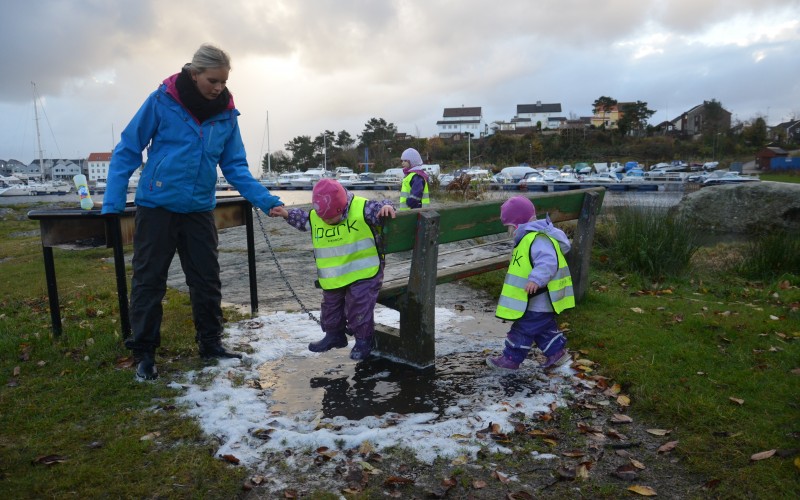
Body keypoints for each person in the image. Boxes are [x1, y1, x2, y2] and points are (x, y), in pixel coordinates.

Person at [102, 43, 284, 381]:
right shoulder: (162, 100)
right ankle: (144, 353)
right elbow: (128, 148)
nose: (218, 87)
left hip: (199, 208)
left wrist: (268, 201)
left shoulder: (227, 114)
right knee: (149, 280)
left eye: (223, 81)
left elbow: (235, 166)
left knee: (206, 278)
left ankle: (211, 343)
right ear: (195, 74)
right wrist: (112, 203)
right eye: (213, 80)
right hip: (156, 206)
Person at [269, 179, 396, 360]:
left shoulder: (362, 208)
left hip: (364, 273)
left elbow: (380, 206)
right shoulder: (317, 216)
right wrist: (286, 213)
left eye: (330, 218)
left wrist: (387, 206)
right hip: (334, 276)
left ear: (342, 208)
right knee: (330, 306)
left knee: (358, 305)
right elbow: (304, 220)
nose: (325, 221)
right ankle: (334, 335)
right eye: (323, 218)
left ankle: (364, 340)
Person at [487, 196, 575, 372]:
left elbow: (548, 261)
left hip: (538, 298)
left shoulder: (536, 239)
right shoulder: (530, 238)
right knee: (543, 328)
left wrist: (536, 279)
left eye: (508, 227)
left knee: (522, 329)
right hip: (539, 301)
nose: (509, 231)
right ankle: (557, 353)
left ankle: (511, 359)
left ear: (516, 224)